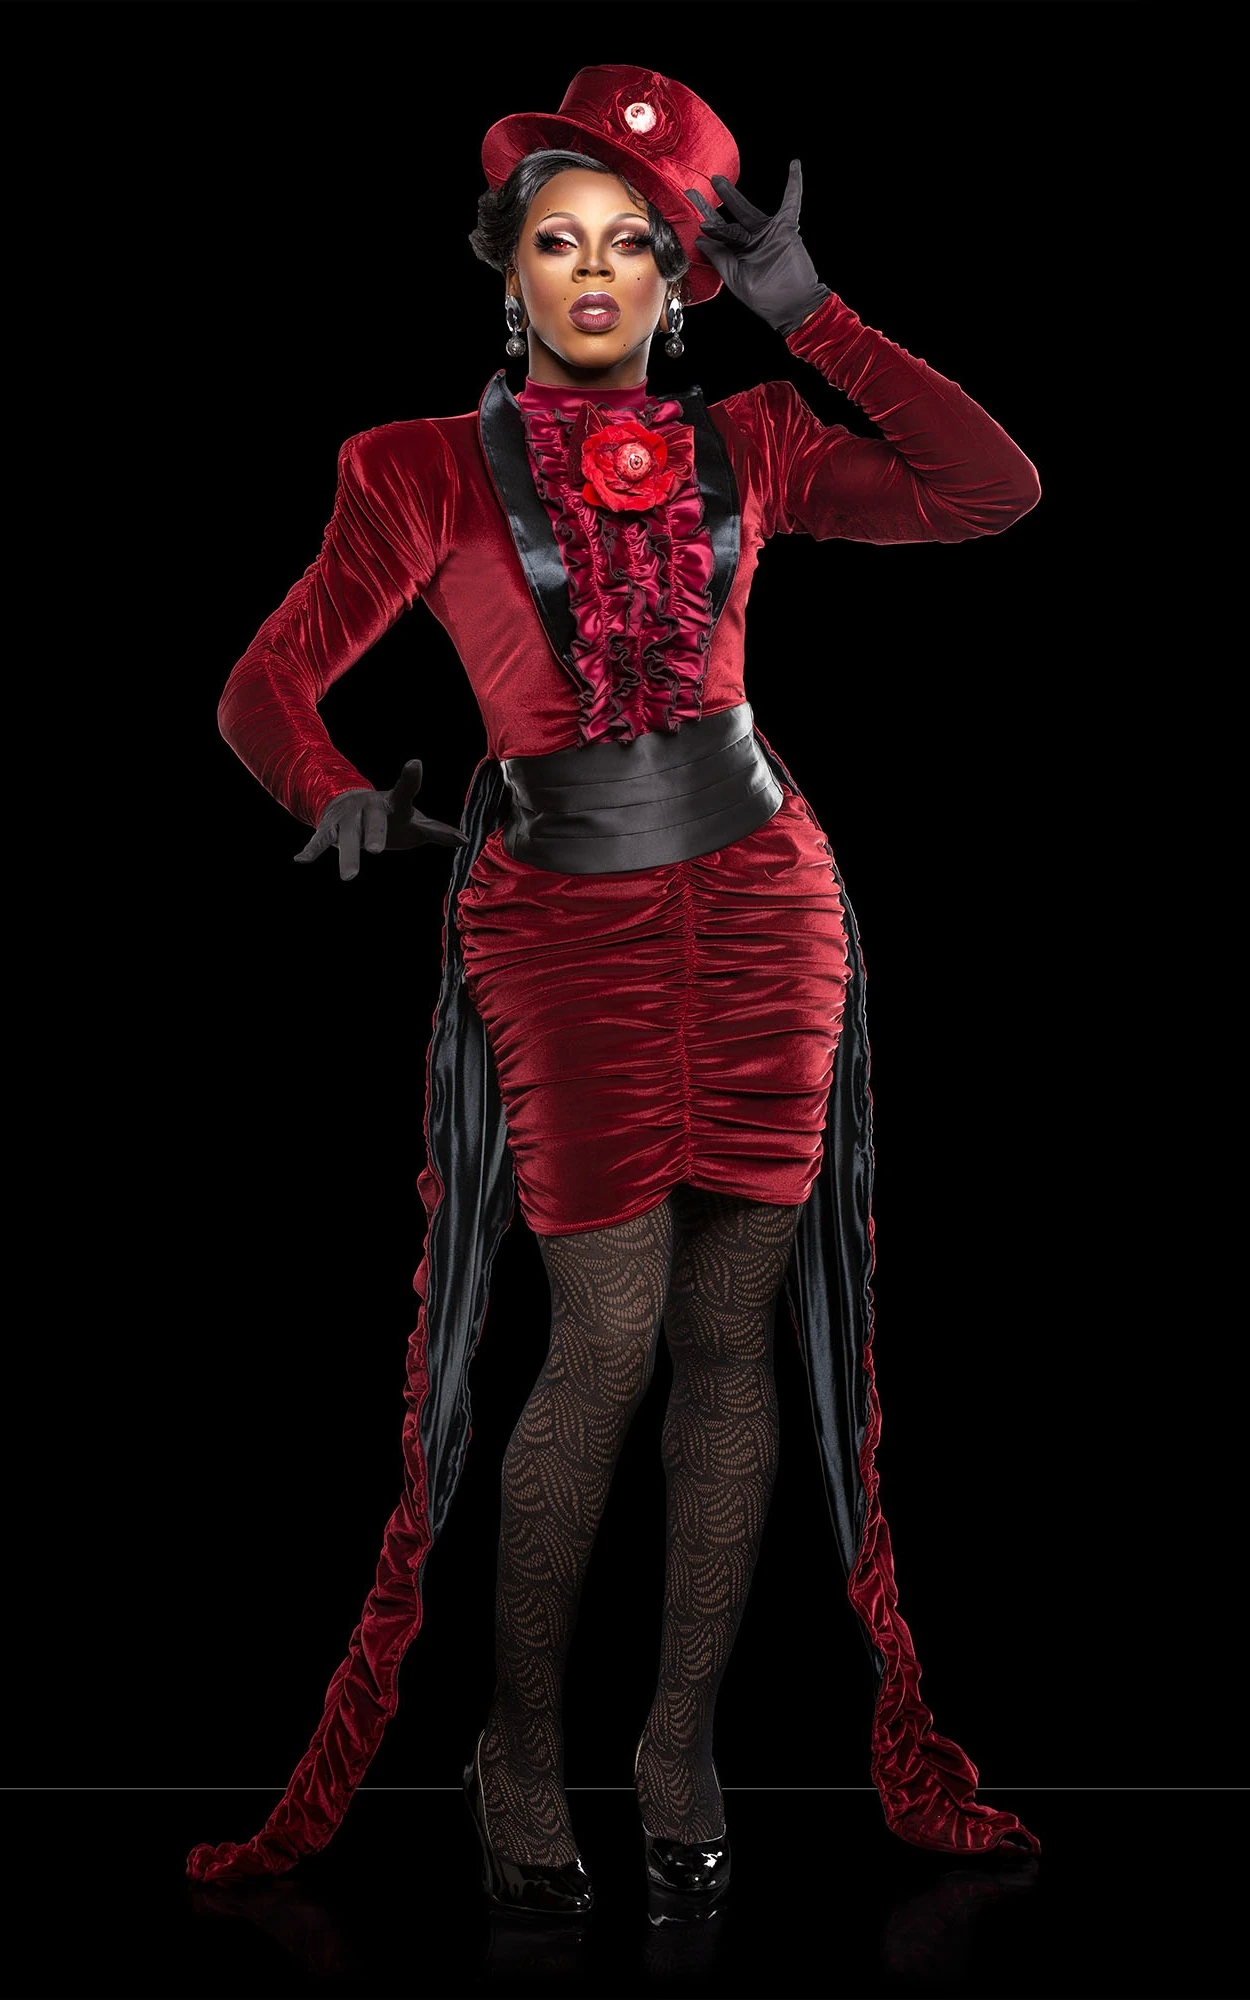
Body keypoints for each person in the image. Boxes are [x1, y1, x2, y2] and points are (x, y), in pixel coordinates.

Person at [186, 64, 1043, 1919]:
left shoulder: (755, 440)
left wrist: (815, 312)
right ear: (508, 270)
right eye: (559, 243)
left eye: (633, 246)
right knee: (603, 1337)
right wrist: (330, 792)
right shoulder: (412, 467)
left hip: (763, 906)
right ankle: (515, 1744)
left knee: (729, 1342)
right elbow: (265, 687)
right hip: (560, 922)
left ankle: (675, 1743)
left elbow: (990, 490)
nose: (595, 274)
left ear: (677, 279)